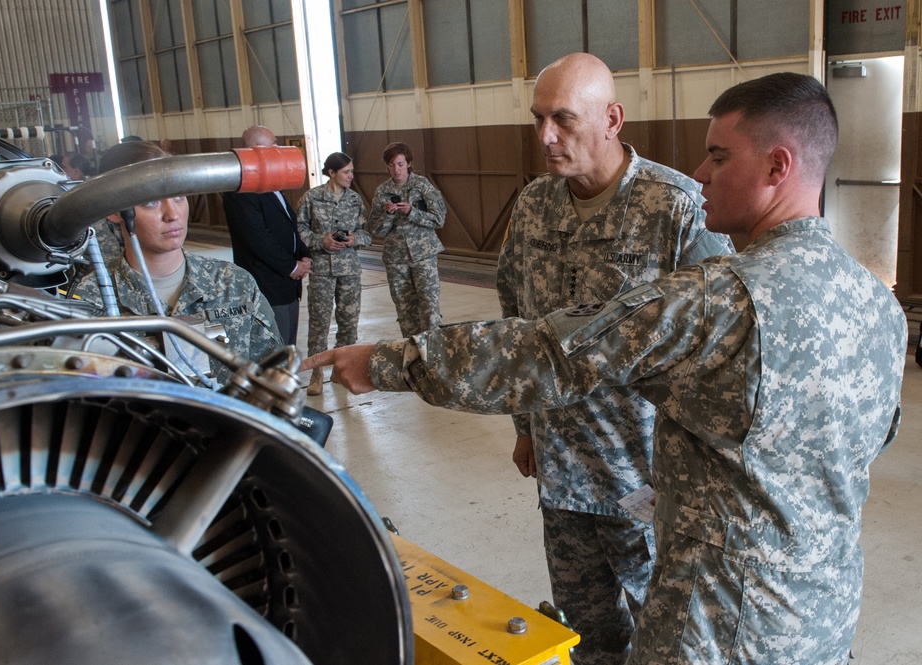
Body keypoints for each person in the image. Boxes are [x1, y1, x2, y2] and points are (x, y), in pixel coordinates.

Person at [303, 73, 907, 664]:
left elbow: (547, 353)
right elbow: (869, 441)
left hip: (721, 621)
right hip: (820, 613)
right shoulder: (879, 303)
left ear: (778, 166)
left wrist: (388, 362)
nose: (701, 173)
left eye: (719, 157)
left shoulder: (717, 299)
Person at [495, 53, 733, 665]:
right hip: (562, 474)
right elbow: (516, 322)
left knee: (662, 637)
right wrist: (525, 427)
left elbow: (719, 352)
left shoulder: (677, 209)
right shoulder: (533, 208)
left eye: (564, 119)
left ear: (612, 119)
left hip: (647, 479)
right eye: (539, 119)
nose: (546, 136)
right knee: (586, 630)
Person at [68, 141, 283, 384]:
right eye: (151, 202)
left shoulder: (233, 282)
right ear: (114, 210)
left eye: (179, 196)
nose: (173, 214)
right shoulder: (90, 301)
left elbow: (274, 377)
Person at [222, 126, 311, 346]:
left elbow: (288, 227)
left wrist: (304, 255)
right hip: (267, 285)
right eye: (273, 144)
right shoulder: (242, 190)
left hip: (287, 285)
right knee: (274, 350)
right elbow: (257, 238)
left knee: (287, 346)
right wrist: (291, 266)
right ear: (258, 149)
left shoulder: (271, 184)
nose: (278, 148)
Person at [296, 152, 372, 396]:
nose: (351, 176)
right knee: (319, 324)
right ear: (331, 173)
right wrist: (321, 241)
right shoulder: (312, 198)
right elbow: (299, 229)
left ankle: (343, 371)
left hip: (349, 270)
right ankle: (316, 375)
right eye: (346, 172)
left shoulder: (354, 200)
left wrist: (353, 239)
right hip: (321, 270)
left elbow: (366, 233)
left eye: (352, 171)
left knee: (349, 322)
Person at [366, 142, 446, 337]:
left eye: (401, 164)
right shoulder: (382, 191)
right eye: (392, 165)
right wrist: (387, 214)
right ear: (387, 166)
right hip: (396, 259)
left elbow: (439, 219)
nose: (397, 169)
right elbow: (375, 228)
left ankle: (434, 356)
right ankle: (412, 356)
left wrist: (412, 212)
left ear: (409, 163)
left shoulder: (422, 185)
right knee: (404, 310)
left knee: (430, 310)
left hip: (423, 255)